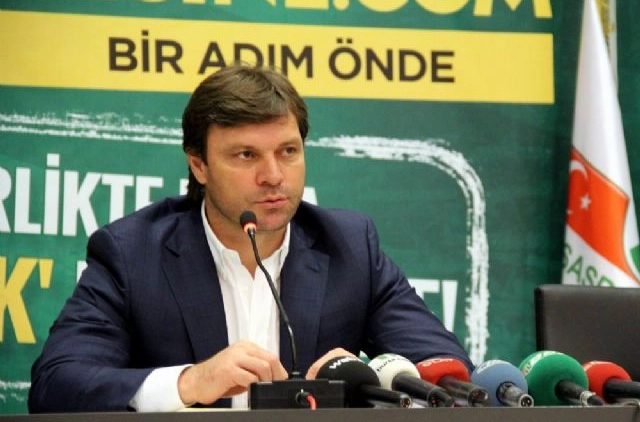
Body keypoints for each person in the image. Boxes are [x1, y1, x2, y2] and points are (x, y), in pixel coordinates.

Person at [28, 64, 473, 412]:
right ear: (199, 165)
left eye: (288, 151)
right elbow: (56, 385)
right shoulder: (132, 253)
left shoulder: (350, 247)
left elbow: (449, 371)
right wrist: (189, 382)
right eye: (246, 155)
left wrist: (368, 376)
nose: (273, 176)